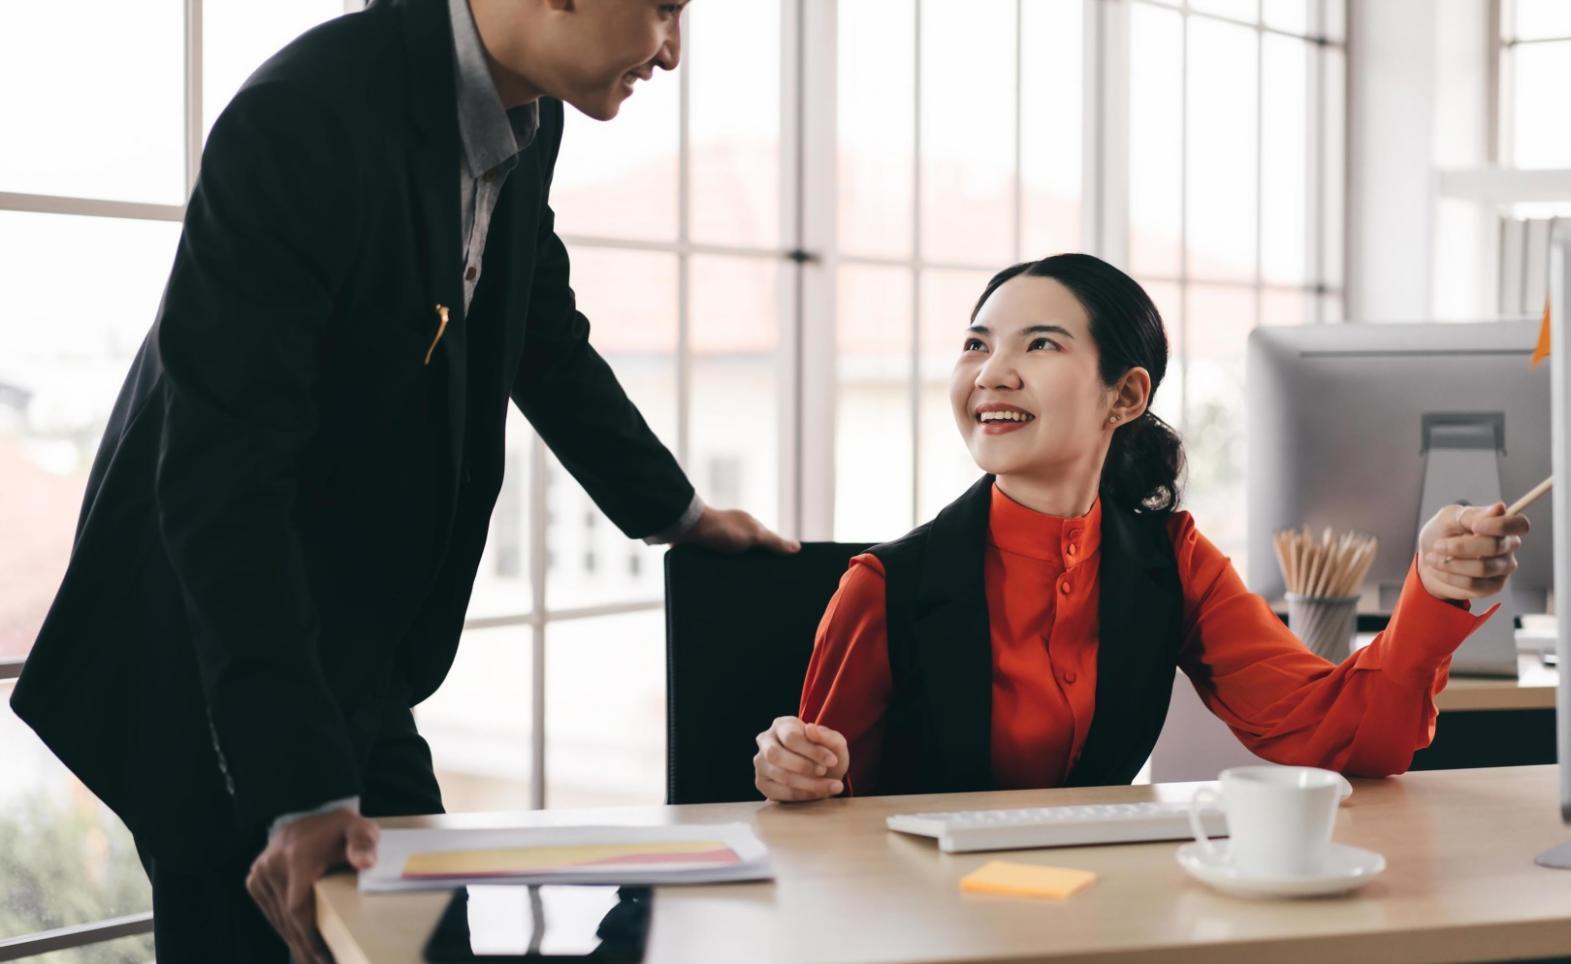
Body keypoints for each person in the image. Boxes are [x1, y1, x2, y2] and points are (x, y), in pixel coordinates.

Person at [12, 0, 798, 960]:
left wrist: (680, 513)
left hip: (352, 654)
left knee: (425, 938)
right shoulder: (304, 116)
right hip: (215, 668)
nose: (673, 52)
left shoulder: (521, 118)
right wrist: (298, 790)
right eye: (666, 9)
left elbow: (536, 331)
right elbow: (222, 490)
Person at [751, 253, 1528, 803]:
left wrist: (1434, 588)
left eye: (1040, 344)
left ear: (1123, 396)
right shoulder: (882, 589)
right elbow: (824, 814)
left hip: (1103, 913)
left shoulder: (1173, 561)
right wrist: (793, 772)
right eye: (975, 345)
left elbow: (1342, 735)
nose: (991, 372)